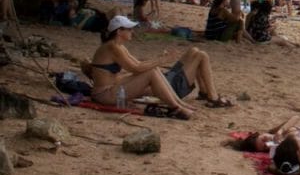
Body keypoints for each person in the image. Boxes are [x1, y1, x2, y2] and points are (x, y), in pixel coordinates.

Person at [87, 15, 232, 118]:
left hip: (111, 89)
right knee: (152, 71)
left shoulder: (118, 46)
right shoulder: (113, 47)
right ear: (119, 31)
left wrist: (159, 60)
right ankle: (176, 107)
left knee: (153, 70)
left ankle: (179, 104)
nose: (132, 31)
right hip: (105, 95)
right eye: (129, 29)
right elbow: (136, 68)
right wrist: (162, 60)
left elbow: (138, 64)